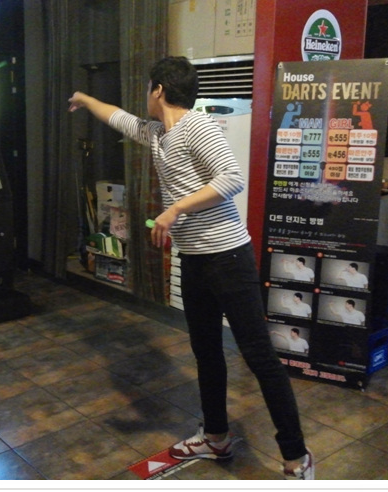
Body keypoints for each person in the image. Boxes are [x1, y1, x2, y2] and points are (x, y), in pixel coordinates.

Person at [68, 56, 314, 480]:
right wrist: (86, 99)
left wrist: (175, 209)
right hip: (196, 258)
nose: (145, 95)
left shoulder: (197, 126)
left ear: (159, 90)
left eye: (148, 87)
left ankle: (297, 457)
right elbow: (119, 117)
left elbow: (231, 178)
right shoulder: (157, 132)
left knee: (259, 356)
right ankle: (216, 436)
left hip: (228, 257)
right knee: (206, 352)